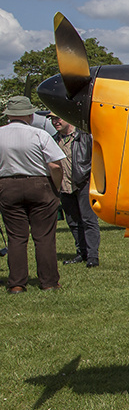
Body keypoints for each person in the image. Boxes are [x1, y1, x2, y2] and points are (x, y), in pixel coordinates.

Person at [0, 96, 65, 292]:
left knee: (16, 237)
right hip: (40, 185)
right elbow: (55, 165)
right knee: (44, 236)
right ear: (29, 115)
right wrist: (56, 188)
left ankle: (17, 284)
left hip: (7, 185)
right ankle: (49, 282)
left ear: (9, 115)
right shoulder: (39, 135)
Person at [51, 115, 99, 267]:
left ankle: (92, 256)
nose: (55, 122)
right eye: (52, 120)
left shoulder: (84, 137)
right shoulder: (53, 140)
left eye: (58, 118)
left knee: (89, 220)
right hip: (64, 186)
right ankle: (81, 253)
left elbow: (95, 158)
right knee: (73, 222)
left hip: (83, 183)